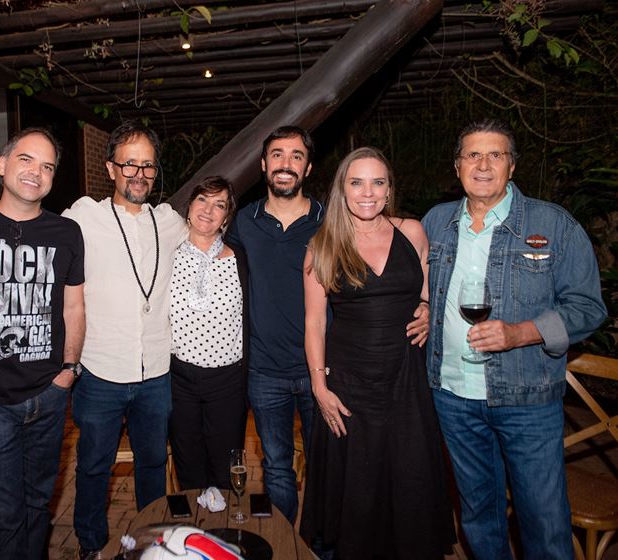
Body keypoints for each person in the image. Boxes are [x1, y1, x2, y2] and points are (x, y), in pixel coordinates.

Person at [226, 126, 432, 523]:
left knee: (332, 467)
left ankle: (326, 540)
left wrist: (425, 305)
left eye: (297, 156)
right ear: (264, 164)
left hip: (331, 370)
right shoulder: (242, 222)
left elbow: (401, 278)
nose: (286, 164)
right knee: (276, 469)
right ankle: (286, 544)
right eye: (278, 155)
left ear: (309, 168)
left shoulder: (329, 224)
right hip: (265, 369)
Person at [422, 119, 607, 560]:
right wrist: (423, 306)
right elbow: (417, 283)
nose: (483, 164)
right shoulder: (435, 222)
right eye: (473, 155)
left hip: (529, 400)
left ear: (512, 166)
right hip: (452, 396)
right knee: (478, 515)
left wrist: (520, 333)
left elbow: (588, 308)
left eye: (495, 155)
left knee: (542, 522)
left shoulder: (554, 225)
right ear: (457, 165)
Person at [299, 147, 454, 559]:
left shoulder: (413, 232)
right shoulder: (322, 246)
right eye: (357, 182)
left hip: (406, 381)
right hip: (350, 386)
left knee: (409, 481)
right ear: (342, 190)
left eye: (377, 182)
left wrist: (425, 309)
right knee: (359, 490)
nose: (367, 192)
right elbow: (314, 323)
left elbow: (425, 293)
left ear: (388, 191)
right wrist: (319, 386)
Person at [62, 120, 186, 559]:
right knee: (94, 467)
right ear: (111, 168)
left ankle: (150, 542)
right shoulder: (82, 217)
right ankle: (92, 546)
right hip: (99, 369)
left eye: (148, 166)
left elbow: (215, 238)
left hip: (156, 371)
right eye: (129, 164)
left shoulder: (171, 222)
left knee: (154, 465)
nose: (139, 174)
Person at [0, 127, 85, 560]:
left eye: (47, 166)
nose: (36, 172)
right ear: (2, 165)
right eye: (26, 159)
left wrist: (67, 373)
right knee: (4, 516)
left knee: (39, 505)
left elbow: (74, 308)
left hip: (49, 395)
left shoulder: (66, 232)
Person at [169, 176, 248, 490]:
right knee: (188, 466)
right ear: (189, 206)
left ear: (227, 216)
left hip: (228, 380)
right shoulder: (166, 255)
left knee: (226, 467)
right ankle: (192, 534)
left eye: (220, 204)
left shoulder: (241, 259)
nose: (209, 210)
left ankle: (224, 534)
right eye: (202, 199)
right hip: (179, 378)